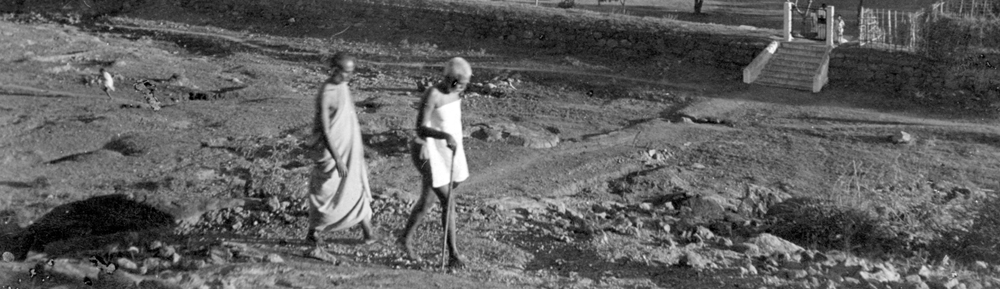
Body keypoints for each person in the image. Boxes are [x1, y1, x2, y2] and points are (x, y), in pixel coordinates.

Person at [304, 52, 378, 262]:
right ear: (334, 70)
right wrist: (337, 158)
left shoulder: (343, 86)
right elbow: (326, 130)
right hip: (331, 152)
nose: (349, 76)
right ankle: (314, 233)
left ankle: (368, 233)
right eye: (345, 72)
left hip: (349, 149)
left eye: (351, 72)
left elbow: (348, 120)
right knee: (325, 191)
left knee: (356, 185)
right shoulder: (327, 92)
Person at [400, 57, 472, 269]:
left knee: (428, 200)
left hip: (446, 150)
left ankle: (403, 238)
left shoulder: (456, 92)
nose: (464, 87)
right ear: (453, 81)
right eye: (462, 83)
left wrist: (451, 139)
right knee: (448, 201)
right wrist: (443, 136)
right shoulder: (432, 94)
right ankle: (453, 255)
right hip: (427, 151)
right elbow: (420, 128)